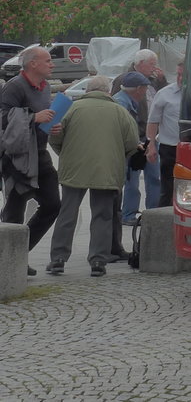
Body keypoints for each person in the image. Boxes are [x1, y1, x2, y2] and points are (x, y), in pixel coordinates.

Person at [45, 76, 138, 277]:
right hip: (106, 170)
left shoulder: (70, 109)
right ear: (108, 92)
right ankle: (98, 260)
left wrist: (66, 154)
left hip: (74, 168)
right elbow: (132, 142)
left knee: (67, 214)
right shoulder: (120, 111)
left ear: (87, 91)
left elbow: (54, 136)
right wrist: (118, 158)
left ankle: (58, 259)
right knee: (102, 215)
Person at [0, 45, 61, 276]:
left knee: (53, 205)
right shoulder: (14, 86)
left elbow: (43, 118)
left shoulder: (46, 87)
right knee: (14, 211)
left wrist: (51, 125)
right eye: (48, 61)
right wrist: (34, 117)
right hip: (17, 156)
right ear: (33, 64)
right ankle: (8, 262)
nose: (52, 64)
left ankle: (19, 253)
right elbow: (3, 118)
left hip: (40, 153)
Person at [113, 71, 160, 225]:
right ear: (139, 89)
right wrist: (136, 144)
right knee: (131, 181)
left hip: (141, 142)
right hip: (131, 148)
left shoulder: (127, 101)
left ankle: (151, 214)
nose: (146, 93)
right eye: (145, 89)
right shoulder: (121, 103)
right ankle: (129, 215)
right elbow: (122, 130)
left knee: (151, 178)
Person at [146, 62, 183, 208]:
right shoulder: (164, 94)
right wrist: (151, 145)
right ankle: (164, 216)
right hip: (169, 148)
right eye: (178, 74)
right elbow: (153, 122)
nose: (180, 78)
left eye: (184, 75)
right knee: (167, 188)